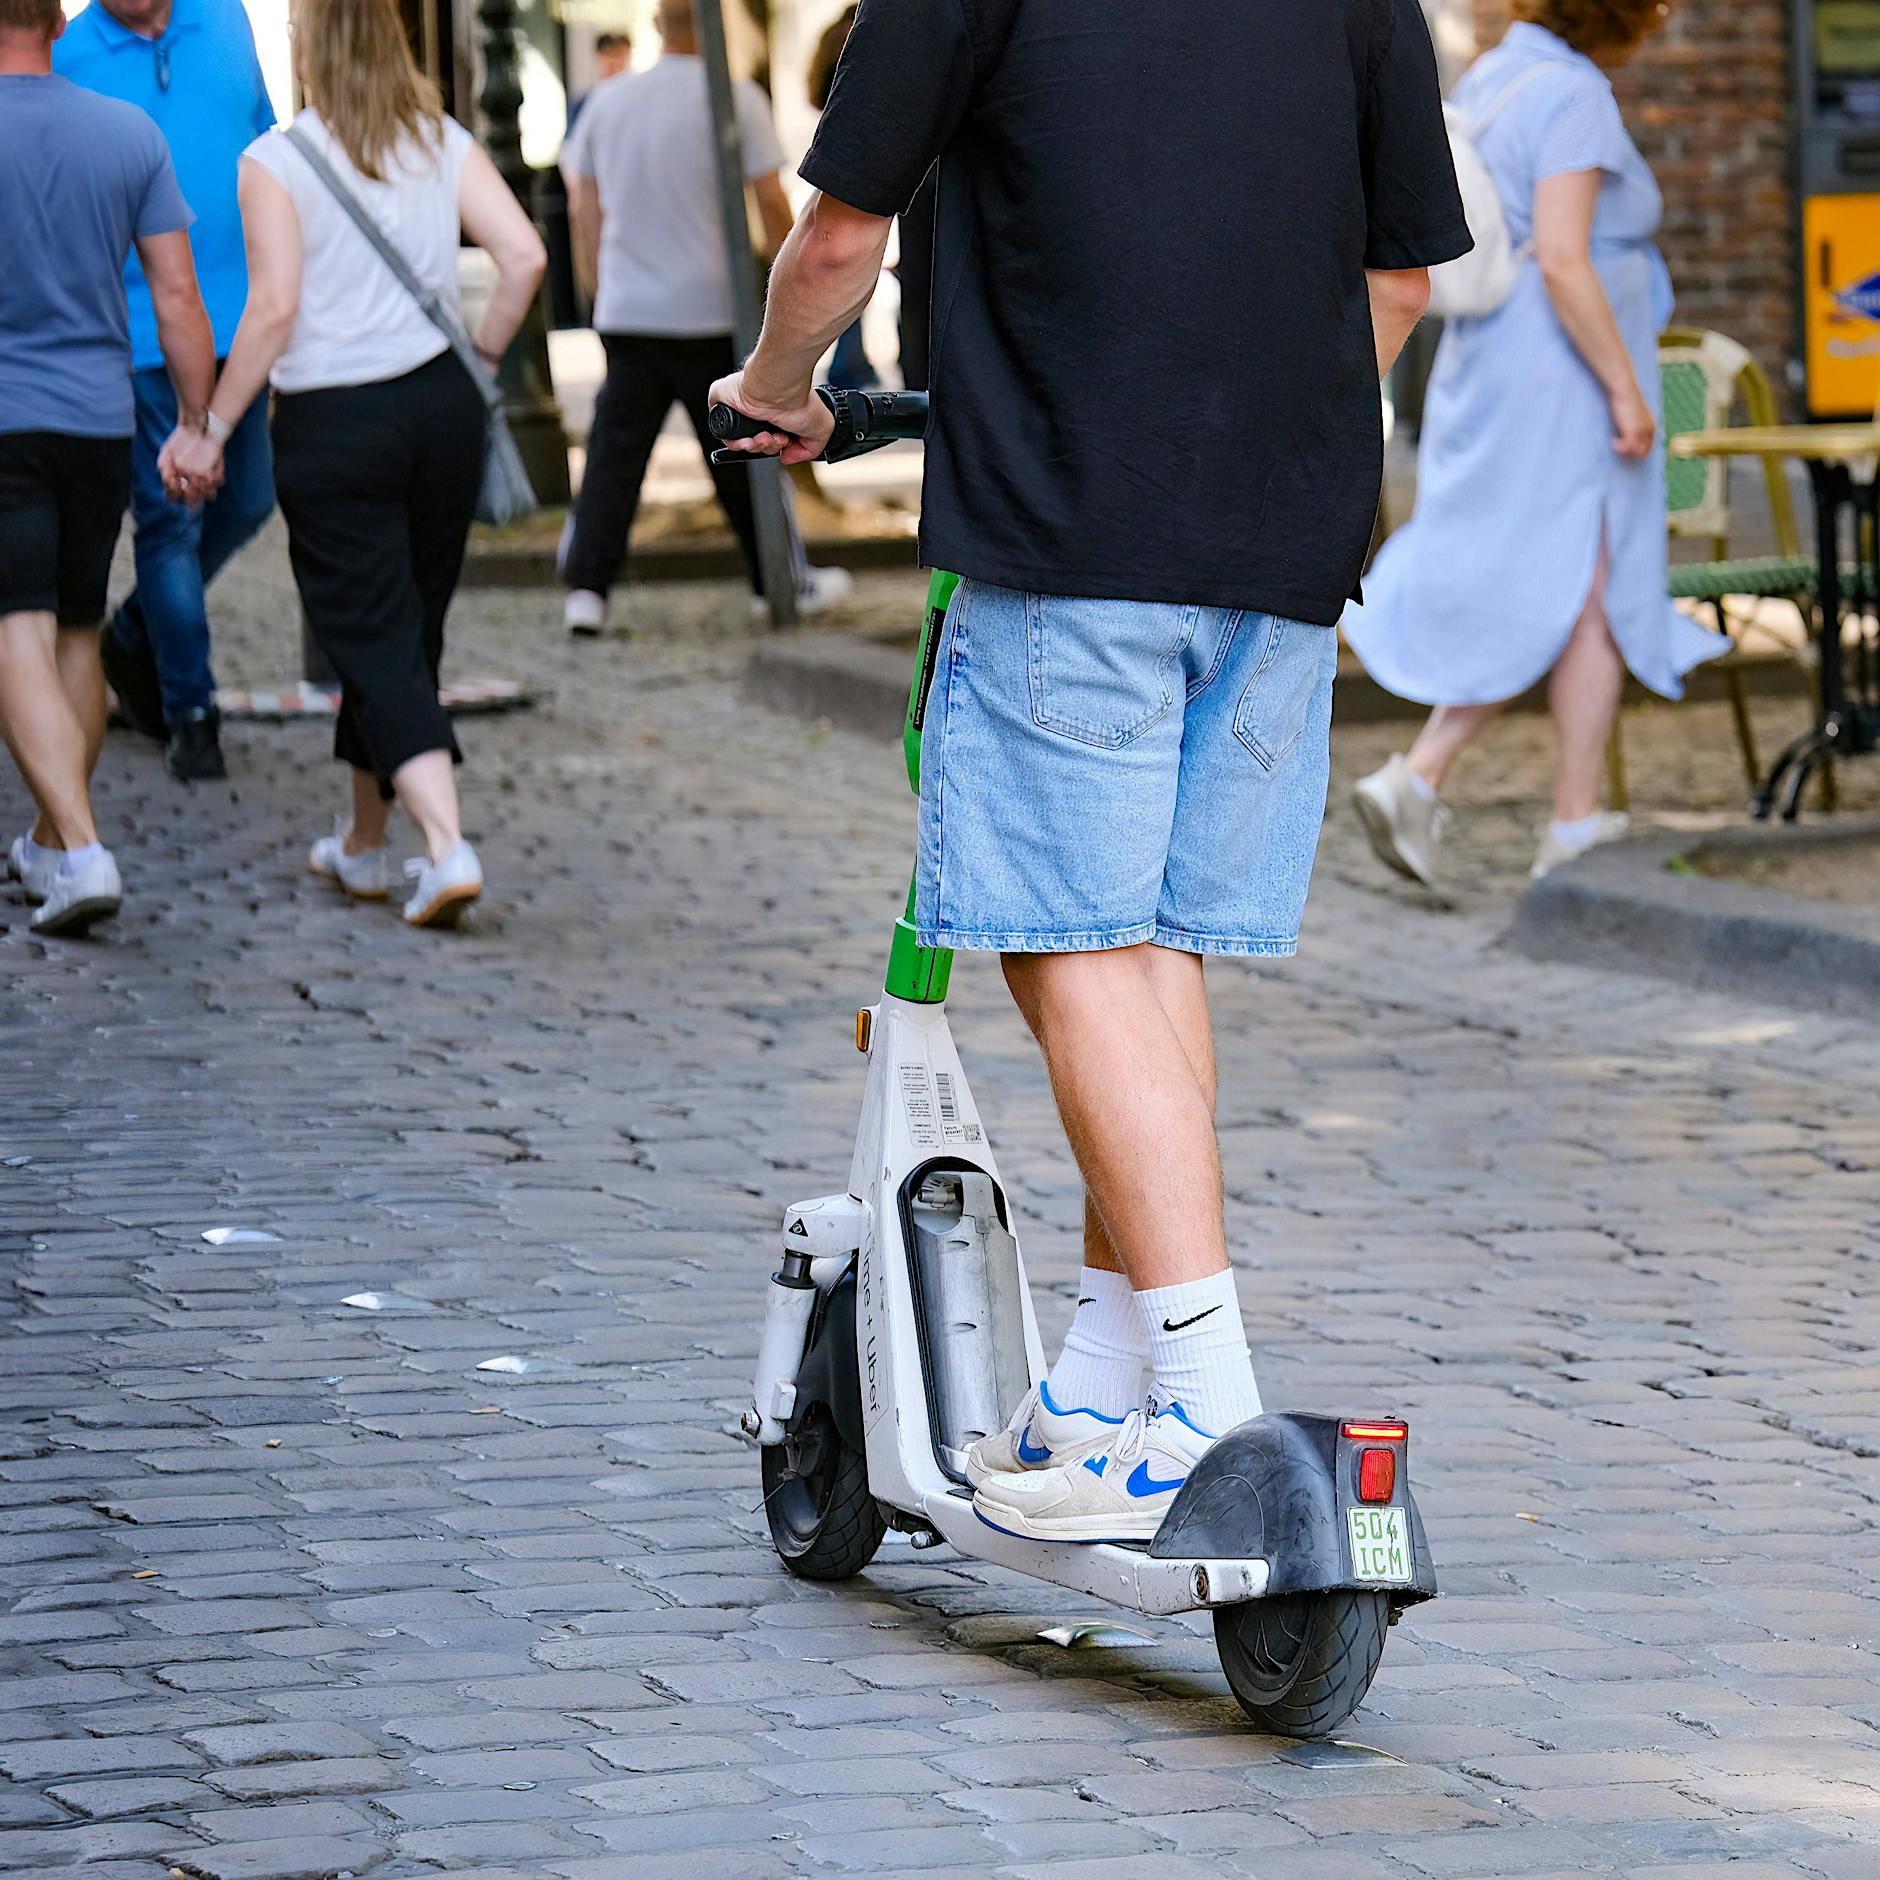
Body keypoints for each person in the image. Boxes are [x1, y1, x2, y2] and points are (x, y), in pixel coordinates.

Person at [714, 0, 1468, 1537]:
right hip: (1281, 544)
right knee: (1152, 948)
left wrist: (782, 385)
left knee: (1069, 945)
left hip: (1076, 532)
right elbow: (1398, 277)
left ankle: (1202, 1391)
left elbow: (843, 237)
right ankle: (1101, 1378)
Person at [162, 0, 546, 928]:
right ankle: (365, 846)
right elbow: (525, 256)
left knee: (372, 635)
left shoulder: (275, 165)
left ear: (308, 51)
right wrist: (483, 359)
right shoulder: (441, 139)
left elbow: (274, 311)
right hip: (441, 410)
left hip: (337, 422)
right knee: (403, 631)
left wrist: (210, 428)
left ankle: (446, 844)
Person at [1344, 0, 1726, 885]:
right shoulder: (1574, 93)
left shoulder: (1498, 77)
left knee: (1554, 576)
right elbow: (1564, 255)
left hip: (1497, 367)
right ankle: (1562, 816)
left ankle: (1451, 784)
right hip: (1564, 377)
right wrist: (1628, 392)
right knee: (1587, 579)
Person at [0, 0, 215, 935]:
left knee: (15, 630)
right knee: (78, 630)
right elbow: (177, 295)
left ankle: (82, 851)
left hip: (3, 420)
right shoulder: (127, 133)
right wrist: (195, 420)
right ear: (55, 23)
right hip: (97, 418)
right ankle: (52, 842)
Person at [557, 0, 850, 638]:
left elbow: (583, 201)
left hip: (630, 307)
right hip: (709, 306)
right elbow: (772, 202)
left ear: (658, 26)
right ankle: (778, 578)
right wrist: (790, 286)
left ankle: (587, 590)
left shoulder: (609, 102)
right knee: (742, 445)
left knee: (615, 452)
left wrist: (596, 282)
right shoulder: (733, 96)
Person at [56, 0, 278, 784]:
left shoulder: (226, 19)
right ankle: (191, 710)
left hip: (243, 322)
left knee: (250, 498)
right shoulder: (69, 50)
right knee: (171, 518)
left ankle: (132, 633)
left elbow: (263, 143)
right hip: (142, 328)